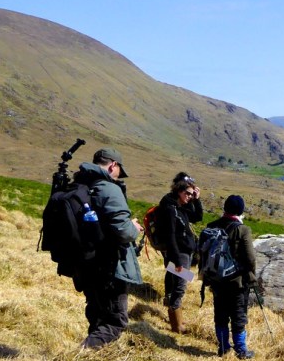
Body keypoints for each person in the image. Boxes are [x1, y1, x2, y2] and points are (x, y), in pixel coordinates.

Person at [72, 147, 143, 348]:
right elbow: (124, 231)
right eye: (119, 171)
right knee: (114, 322)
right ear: (113, 165)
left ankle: (91, 360)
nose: (119, 176)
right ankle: (80, 355)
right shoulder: (109, 189)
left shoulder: (81, 184)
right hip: (108, 266)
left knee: (97, 316)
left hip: (85, 262)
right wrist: (134, 227)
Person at [206, 195, 258, 359]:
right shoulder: (243, 230)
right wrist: (252, 276)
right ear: (241, 210)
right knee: (238, 315)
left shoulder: (211, 226)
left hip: (217, 280)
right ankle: (241, 350)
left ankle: (223, 348)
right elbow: (250, 258)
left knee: (220, 315)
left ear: (225, 208)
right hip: (237, 282)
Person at [158, 172, 202, 333]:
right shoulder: (170, 208)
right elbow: (170, 236)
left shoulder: (181, 207)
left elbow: (197, 217)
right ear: (179, 191)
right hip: (179, 253)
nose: (190, 196)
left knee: (178, 281)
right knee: (181, 285)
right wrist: (176, 261)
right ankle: (177, 325)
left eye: (191, 194)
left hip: (185, 252)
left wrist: (197, 200)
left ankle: (176, 317)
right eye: (187, 193)